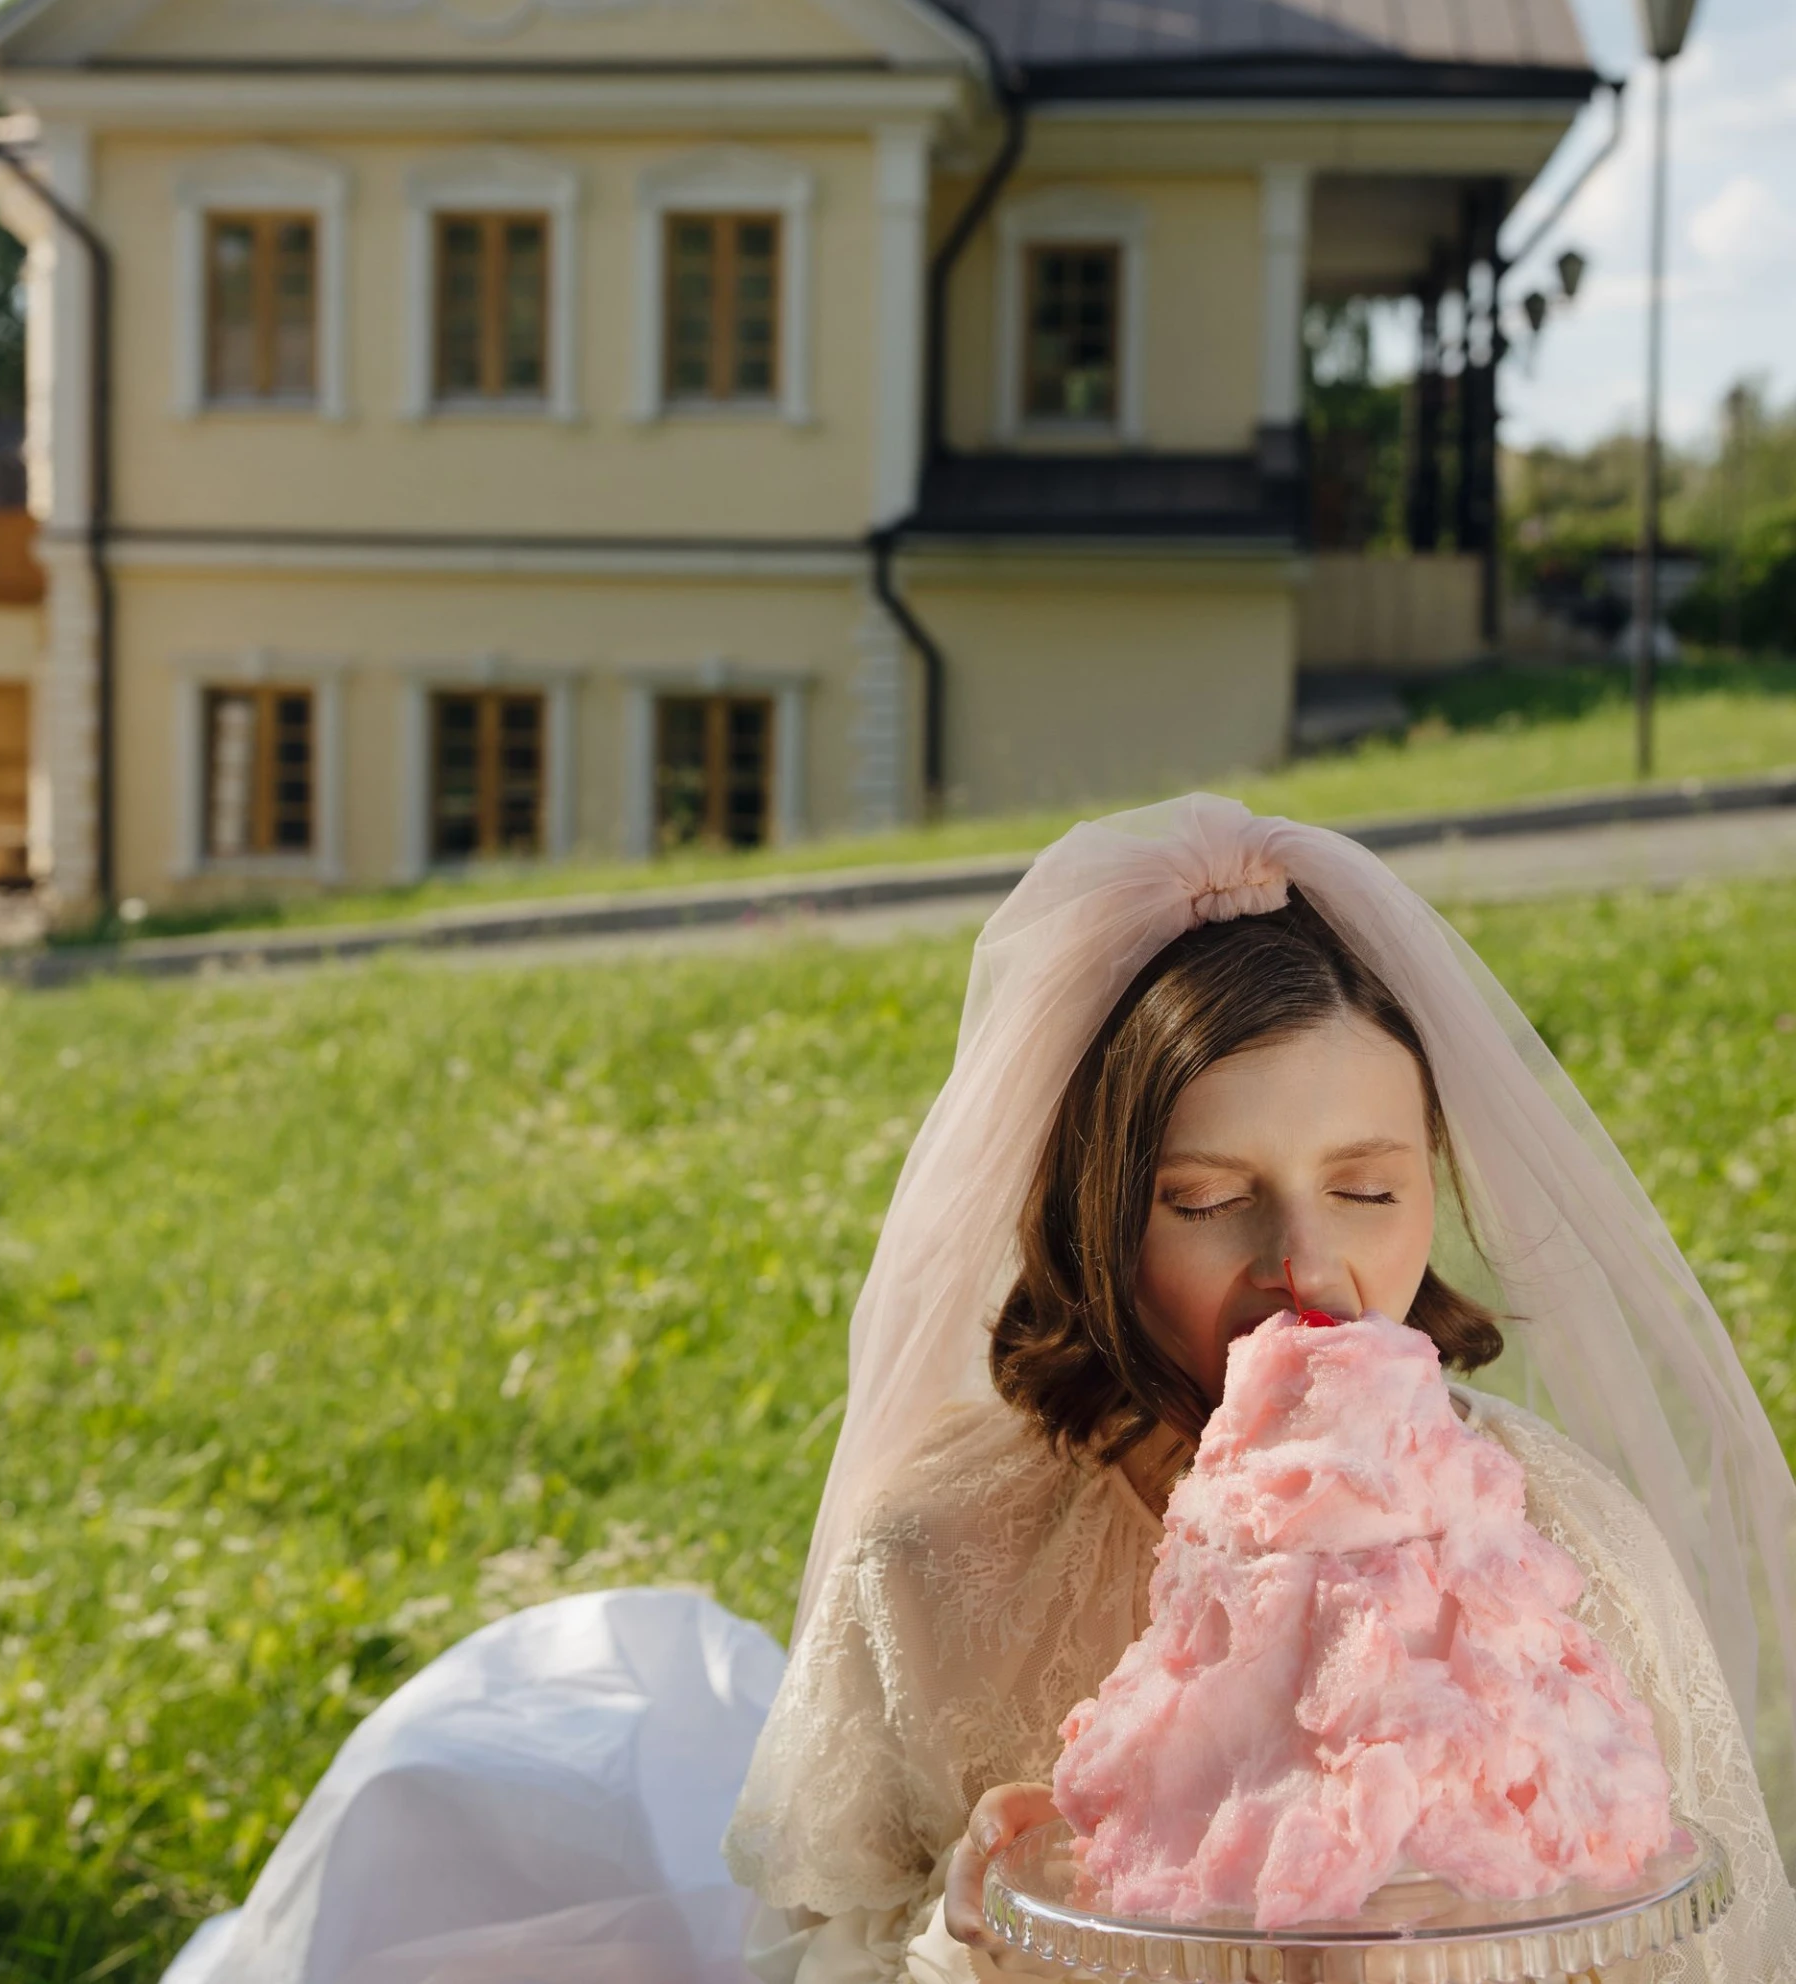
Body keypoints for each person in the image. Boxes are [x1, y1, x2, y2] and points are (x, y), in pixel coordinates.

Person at [722, 796, 1796, 1982]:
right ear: (1097, 1218)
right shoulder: (938, 1560)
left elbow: (1698, 1941)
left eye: (1368, 1192)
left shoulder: (1559, 1548)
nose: (1305, 1266)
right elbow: (814, 1949)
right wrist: (972, 1931)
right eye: (1208, 1202)